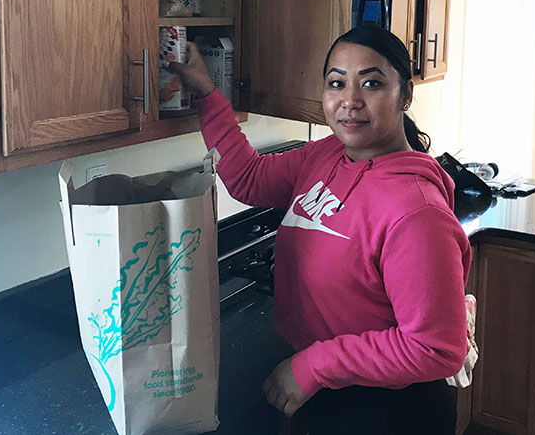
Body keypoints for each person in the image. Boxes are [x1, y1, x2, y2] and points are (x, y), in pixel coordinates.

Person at [169, 25, 470, 435]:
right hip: (328, 387)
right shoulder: (329, 154)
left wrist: (312, 366)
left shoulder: (416, 212)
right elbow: (249, 179)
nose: (350, 101)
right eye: (336, 83)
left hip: (387, 410)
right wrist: (206, 92)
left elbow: (435, 349)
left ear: (406, 95)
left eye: (372, 83)